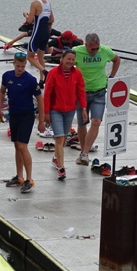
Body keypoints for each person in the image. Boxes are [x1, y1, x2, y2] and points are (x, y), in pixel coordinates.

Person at [0, 52, 45, 193]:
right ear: (13, 63)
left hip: (27, 115)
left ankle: (29, 179)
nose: (20, 69)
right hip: (14, 114)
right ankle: (19, 177)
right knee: (17, 146)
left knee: (23, 146)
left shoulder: (30, 80)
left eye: (23, 67)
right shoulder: (7, 76)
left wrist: (41, 121)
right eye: (18, 66)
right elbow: (1, 92)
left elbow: (40, 99)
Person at [72, 33, 121, 166]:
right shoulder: (77, 51)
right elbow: (65, 63)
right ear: (86, 45)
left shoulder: (104, 51)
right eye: (92, 49)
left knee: (96, 121)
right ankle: (83, 151)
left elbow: (117, 60)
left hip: (99, 92)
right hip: (81, 93)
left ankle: (85, 153)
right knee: (82, 123)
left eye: (96, 48)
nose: (94, 51)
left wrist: (111, 76)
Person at [43, 50, 87, 180]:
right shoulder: (53, 73)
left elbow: (81, 91)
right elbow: (47, 94)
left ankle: (56, 157)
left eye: (73, 59)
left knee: (63, 138)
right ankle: (61, 168)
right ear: (62, 59)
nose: (71, 62)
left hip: (70, 110)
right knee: (59, 138)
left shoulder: (77, 73)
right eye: (68, 59)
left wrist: (84, 108)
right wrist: (46, 113)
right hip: (55, 110)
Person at [25, 0, 54, 85]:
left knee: (29, 57)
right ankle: (42, 80)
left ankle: (45, 72)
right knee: (40, 56)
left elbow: (29, 21)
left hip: (37, 33)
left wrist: (26, 15)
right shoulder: (47, 3)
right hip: (46, 33)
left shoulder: (35, 3)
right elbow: (52, 19)